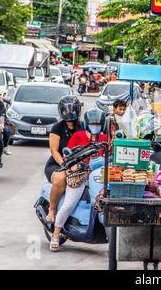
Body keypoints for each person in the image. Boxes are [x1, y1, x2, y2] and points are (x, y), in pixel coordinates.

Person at [50, 108, 108, 252]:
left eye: (98, 124)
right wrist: (76, 166)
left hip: (100, 177)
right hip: (80, 176)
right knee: (69, 204)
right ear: (87, 124)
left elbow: (112, 153)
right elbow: (69, 157)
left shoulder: (105, 139)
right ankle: (56, 234)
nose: (96, 126)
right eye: (93, 123)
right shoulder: (78, 136)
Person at [44, 96, 82, 223]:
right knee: (61, 178)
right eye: (66, 113)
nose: (70, 120)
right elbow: (54, 150)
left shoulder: (83, 126)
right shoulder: (57, 127)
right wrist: (65, 166)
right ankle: (52, 209)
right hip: (57, 164)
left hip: (78, 165)